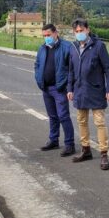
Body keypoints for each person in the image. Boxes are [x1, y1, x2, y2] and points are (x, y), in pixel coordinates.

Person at [67, 18, 109, 170]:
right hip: (79, 90)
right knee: (81, 120)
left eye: (82, 30)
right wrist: (70, 88)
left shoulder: (99, 46)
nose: (79, 33)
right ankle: (86, 150)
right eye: (77, 31)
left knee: (99, 122)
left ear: (88, 30)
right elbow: (71, 71)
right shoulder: (73, 47)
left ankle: (103, 154)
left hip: (95, 90)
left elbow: (108, 69)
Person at [34, 24, 76, 156]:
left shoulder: (67, 47)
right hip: (46, 88)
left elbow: (72, 69)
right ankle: (54, 140)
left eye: (49, 35)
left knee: (63, 116)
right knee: (52, 116)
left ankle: (69, 144)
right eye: (44, 36)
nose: (47, 38)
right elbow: (37, 64)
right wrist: (39, 79)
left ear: (55, 33)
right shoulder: (42, 48)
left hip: (59, 88)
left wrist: (68, 87)